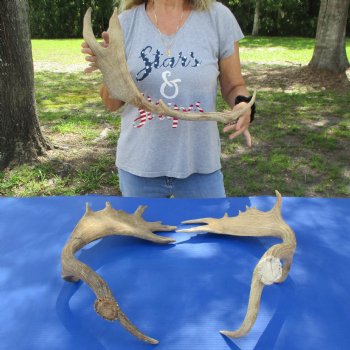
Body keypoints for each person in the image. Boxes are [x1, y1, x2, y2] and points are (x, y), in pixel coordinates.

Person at [82, 0, 255, 198]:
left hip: (200, 165)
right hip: (139, 170)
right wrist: (109, 68)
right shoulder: (125, 23)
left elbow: (234, 85)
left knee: (209, 228)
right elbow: (111, 104)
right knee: (143, 230)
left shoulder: (217, 17)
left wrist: (243, 104)